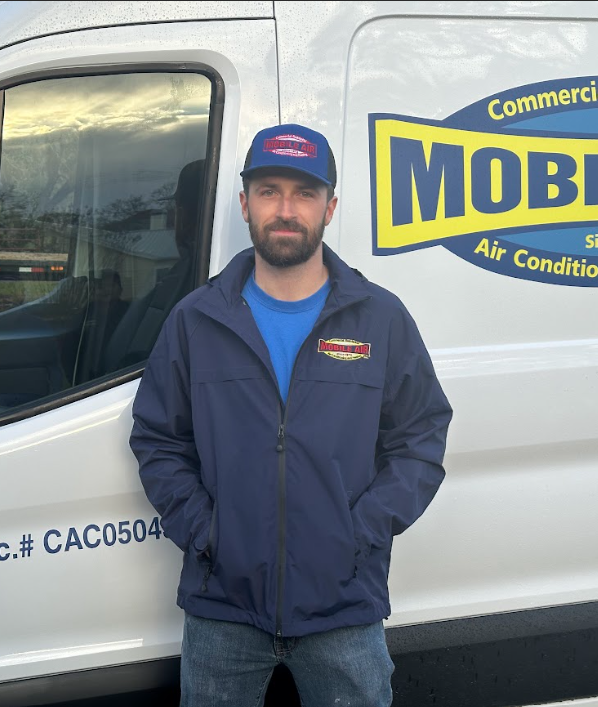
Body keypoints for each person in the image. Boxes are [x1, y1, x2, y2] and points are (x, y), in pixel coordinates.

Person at [129, 123, 452, 706]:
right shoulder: (196, 320)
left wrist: (357, 534)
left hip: (343, 606)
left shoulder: (380, 319)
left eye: (304, 193)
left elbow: (420, 439)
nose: (285, 209)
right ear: (245, 204)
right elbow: (158, 439)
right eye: (269, 191)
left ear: (330, 207)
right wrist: (208, 533)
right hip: (223, 607)